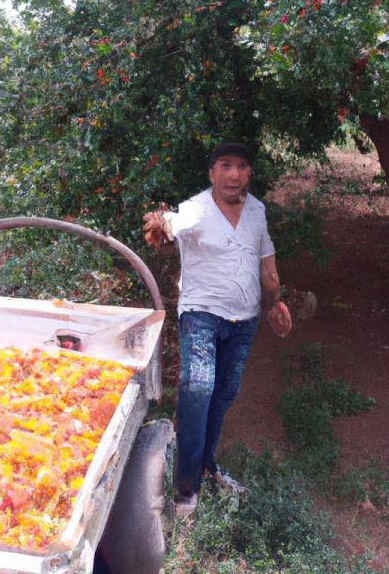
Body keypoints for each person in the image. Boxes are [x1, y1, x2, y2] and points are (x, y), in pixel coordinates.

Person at [143, 142, 291, 518]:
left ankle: (206, 464)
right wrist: (161, 225)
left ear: (248, 174)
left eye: (241, 167)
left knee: (224, 394)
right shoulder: (197, 209)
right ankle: (185, 490)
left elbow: (267, 263)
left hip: (244, 321)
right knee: (198, 388)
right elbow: (169, 227)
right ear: (212, 174)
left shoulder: (257, 210)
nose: (234, 174)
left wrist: (274, 302)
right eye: (225, 166)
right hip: (201, 315)